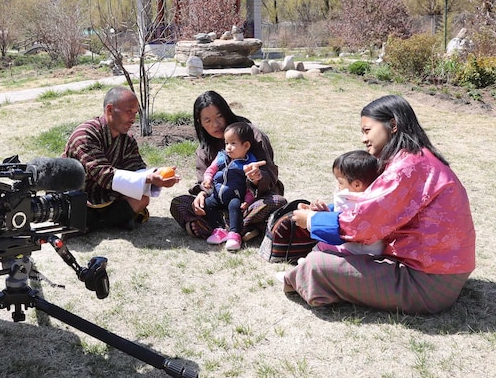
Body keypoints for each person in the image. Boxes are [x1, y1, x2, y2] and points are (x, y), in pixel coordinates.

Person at [280, 94, 476, 314]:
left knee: (317, 265)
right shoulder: (417, 159)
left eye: (367, 130)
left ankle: (296, 281)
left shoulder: (407, 167)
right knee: (331, 254)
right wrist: (328, 212)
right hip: (439, 274)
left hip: (427, 284)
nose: (364, 139)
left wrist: (313, 220)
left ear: (393, 125)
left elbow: (364, 223)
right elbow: (372, 207)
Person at [170, 90, 285, 241]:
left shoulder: (253, 135)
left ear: (227, 112)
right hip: (218, 202)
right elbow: (204, 180)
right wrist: (202, 194)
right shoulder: (204, 149)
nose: (215, 124)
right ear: (200, 123)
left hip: (248, 203)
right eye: (207, 120)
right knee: (179, 202)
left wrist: (257, 178)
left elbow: (269, 174)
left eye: (219, 117)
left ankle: (225, 227)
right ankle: (243, 228)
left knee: (277, 201)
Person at [63, 86, 179, 231]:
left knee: (142, 199)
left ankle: (98, 223)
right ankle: (105, 221)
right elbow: (104, 175)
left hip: (108, 197)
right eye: (129, 111)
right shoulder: (85, 134)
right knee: (75, 213)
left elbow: (137, 171)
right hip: (79, 198)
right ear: (110, 109)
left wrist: (157, 175)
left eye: (135, 113)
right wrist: (148, 179)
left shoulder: (127, 140)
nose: (133, 118)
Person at [310, 149, 383, 256]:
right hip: (377, 249)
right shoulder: (377, 197)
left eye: (340, 182)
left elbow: (340, 226)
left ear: (357, 185)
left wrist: (315, 219)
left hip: (355, 250)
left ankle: (307, 264)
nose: (338, 186)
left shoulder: (351, 200)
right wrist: (326, 213)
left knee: (321, 245)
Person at [201, 122, 261, 251]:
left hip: (235, 197)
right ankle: (219, 230)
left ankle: (235, 235)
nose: (228, 147)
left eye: (233, 143)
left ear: (246, 146)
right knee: (208, 203)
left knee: (234, 206)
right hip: (217, 195)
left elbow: (251, 186)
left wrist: (247, 201)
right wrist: (207, 179)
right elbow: (211, 169)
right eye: (227, 143)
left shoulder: (249, 163)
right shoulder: (221, 156)